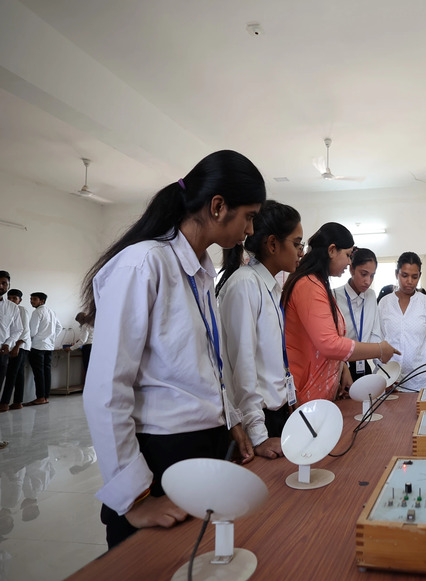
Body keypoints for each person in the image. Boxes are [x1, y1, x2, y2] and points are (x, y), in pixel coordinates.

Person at [80, 149, 264, 548]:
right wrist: (135, 497)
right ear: (218, 206)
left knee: (202, 561)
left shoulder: (202, 272)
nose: (250, 229)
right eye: (249, 216)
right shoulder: (143, 264)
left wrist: (230, 418)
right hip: (160, 454)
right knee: (155, 569)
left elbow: (205, 365)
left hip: (203, 445)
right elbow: (106, 389)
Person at [216, 200, 304, 459]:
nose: (301, 252)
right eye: (297, 244)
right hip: (259, 422)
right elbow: (242, 365)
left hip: (276, 414)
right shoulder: (245, 284)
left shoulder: (271, 287)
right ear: (273, 244)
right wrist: (258, 435)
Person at [282, 223, 399, 405]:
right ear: (332, 250)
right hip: (308, 394)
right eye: (347, 255)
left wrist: (341, 367)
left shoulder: (318, 284)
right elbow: (330, 344)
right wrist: (380, 349)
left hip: (322, 392)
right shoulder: (308, 285)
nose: (349, 262)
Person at [377, 252, 426, 391]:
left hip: (422, 380)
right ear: (396, 274)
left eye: (414, 276)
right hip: (391, 379)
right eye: (404, 275)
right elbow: (379, 339)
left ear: (420, 276)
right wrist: (385, 374)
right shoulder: (384, 303)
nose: (410, 281)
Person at [334, 248, 383, 382]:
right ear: (351, 269)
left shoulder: (371, 296)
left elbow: (375, 334)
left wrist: (384, 371)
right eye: (364, 274)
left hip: (363, 365)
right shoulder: (335, 296)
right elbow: (333, 341)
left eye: (372, 276)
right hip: (341, 367)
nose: (368, 281)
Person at [26, 292, 62, 406]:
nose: (31, 301)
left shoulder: (37, 312)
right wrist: (51, 338)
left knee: (39, 373)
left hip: (37, 346)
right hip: (49, 347)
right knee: (46, 371)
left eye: (34, 299)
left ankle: (40, 397)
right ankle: (45, 397)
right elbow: (59, 327)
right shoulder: (52, 311)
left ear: (42, 301)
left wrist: (32, 339)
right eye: (31, 299)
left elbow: (32, 332)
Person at [0, 289, 30, 411]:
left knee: (12, 374)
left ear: (20, 300)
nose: (11, 300)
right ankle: (18, 402)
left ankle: (5, 403)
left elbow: (24, 330)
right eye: (10, 298)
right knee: (18, 374)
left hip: (19, 346)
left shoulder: (21, 310)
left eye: (14, 298)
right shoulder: (7, 307)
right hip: (11, 345)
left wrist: (16, 347)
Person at [0, 272, 22, 398]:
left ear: (8, 286)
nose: (0, 286)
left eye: (4, 283)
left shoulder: (12, 307)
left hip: (2, 353)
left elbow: (17, 330)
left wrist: (8, 343)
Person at [69, 312, 94, 382]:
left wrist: (71, 348)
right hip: (93, 348)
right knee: (91, 368)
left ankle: (87, 384)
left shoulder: (85, 326)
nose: (79, 323)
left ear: (81, 320)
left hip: (87, 348)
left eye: (79, 321)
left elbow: (83, 341)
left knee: (87, 367)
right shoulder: (92, 325)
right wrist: (79, 340)